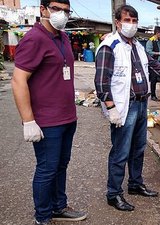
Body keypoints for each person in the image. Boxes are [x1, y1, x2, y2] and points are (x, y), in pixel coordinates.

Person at [94, 4, 160, 212]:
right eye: (127, 20)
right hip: (123, 107)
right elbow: (101, 82)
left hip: (140, 103)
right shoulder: (109, 46)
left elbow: (156, 67)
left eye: (134, 21)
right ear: (118, 22)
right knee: (120, 152)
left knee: (138, 148)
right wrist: (110, 108)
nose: (131, 24)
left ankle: (135, 184)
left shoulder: (138, 46)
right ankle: (114, 193)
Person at [11, 1, 87, 224]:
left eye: (65, 10)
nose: (61, 14)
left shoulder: (63, 37)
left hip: (67, 117)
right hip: (47, 120)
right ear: (42, 9)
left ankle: (58, 206)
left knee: (61, 165)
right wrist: (28, 121)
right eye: (56, 9)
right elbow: (18, 80)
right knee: (47, 168)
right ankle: (42, 217)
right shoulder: (34, 39)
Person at [146, 25, 160, 101]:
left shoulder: (159, 41)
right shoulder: (151, 41)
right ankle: (153, 95)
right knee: (153, 79)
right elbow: (148, 52)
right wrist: (158, 53)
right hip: (154, 63)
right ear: (157, 33)